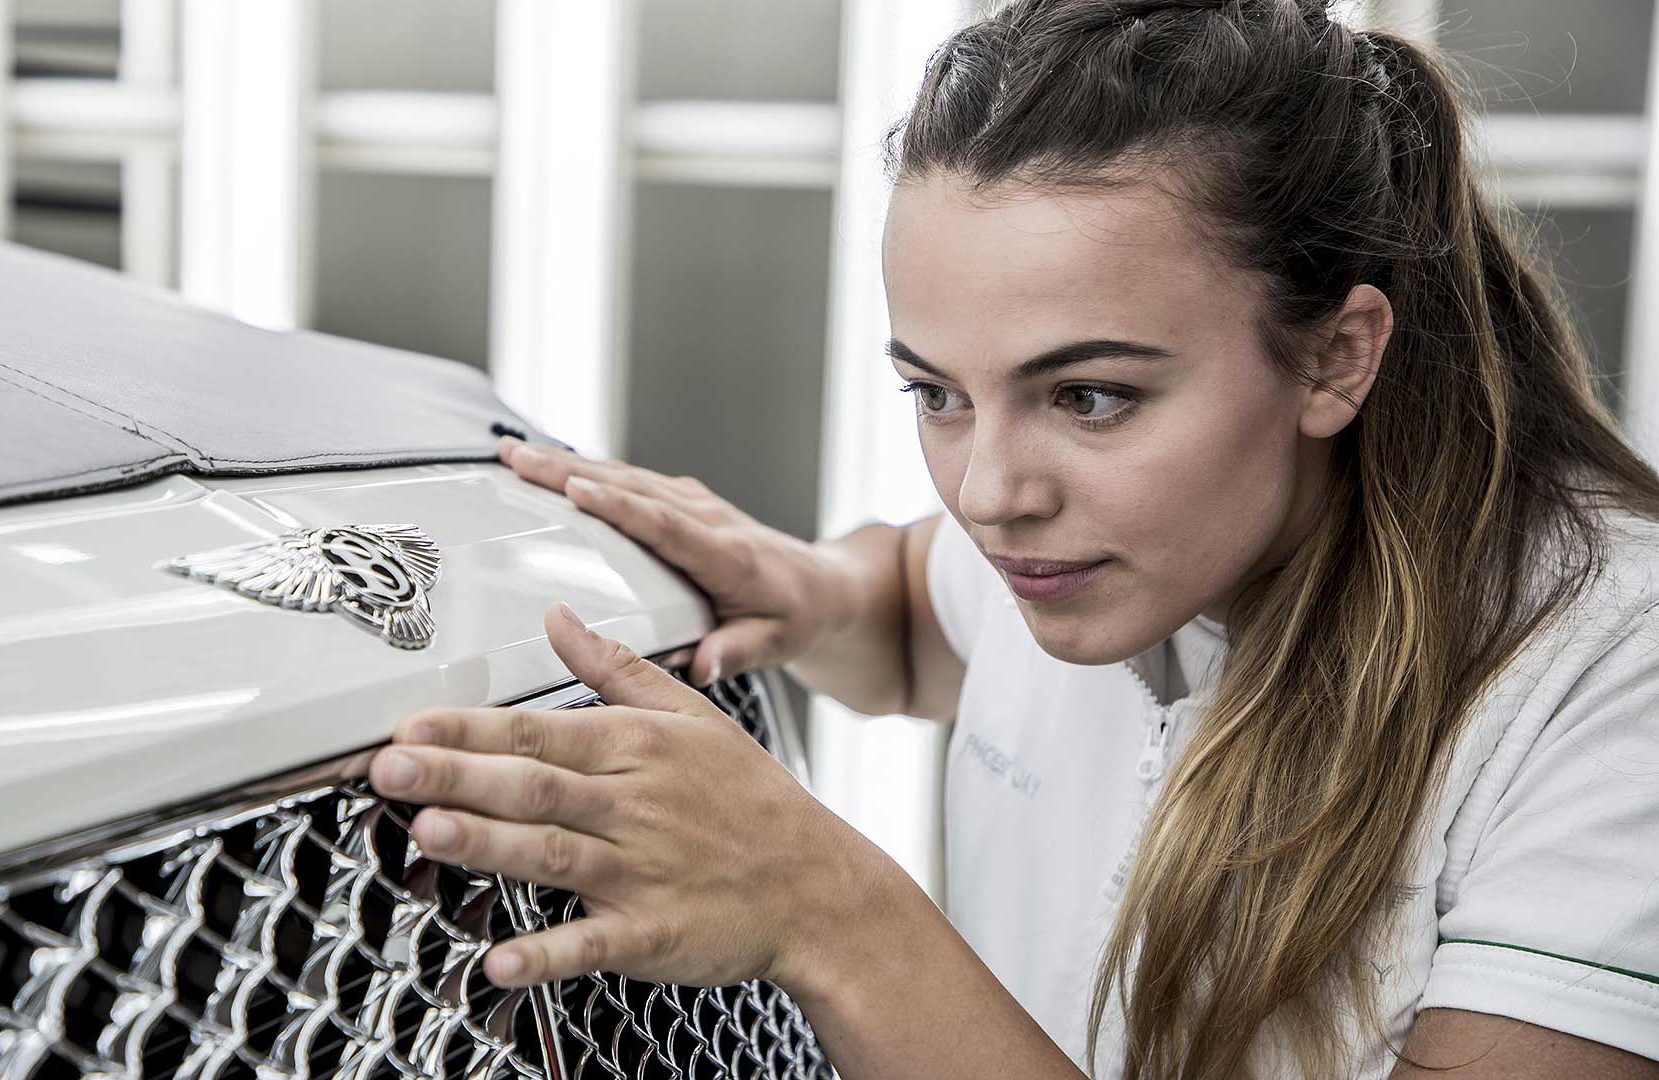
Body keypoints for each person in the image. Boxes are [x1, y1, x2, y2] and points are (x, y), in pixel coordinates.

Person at [366, 1, 1659, 1076]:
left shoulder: (1613, 678)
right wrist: (809, 591)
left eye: (1089, 396)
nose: (988, 495)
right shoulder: (1099, 543)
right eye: (936, 392)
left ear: (1337, 356)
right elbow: (919, 621)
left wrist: (833, 916)